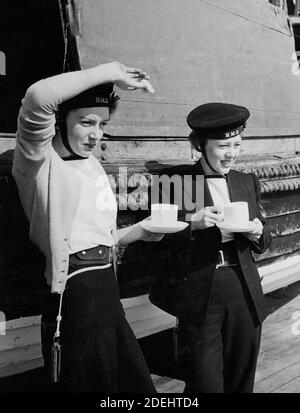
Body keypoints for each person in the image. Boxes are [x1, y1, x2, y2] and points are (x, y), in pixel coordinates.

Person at [12, 61, 162, 393]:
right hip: (76, 297)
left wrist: (137, 232)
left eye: (102, 124)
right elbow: (38, 96)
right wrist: (112, 71)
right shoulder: (37, 162)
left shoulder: (91, 163)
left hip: (107, 290)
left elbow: (95, 239)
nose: (96, 134)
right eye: (85, 122)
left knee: (138, 388)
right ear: (60, 121)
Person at [149, 102, 271, 393]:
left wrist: (257, 233)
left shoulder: (246, 181)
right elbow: (154, 242)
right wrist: (192, 222)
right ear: (200, 145)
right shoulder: (177, 181)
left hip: (243, 287)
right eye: (223, 146)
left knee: (243, 379)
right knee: (204, 382)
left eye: (237, 144)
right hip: (201, 290)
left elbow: (265, 242)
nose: (232, 153)